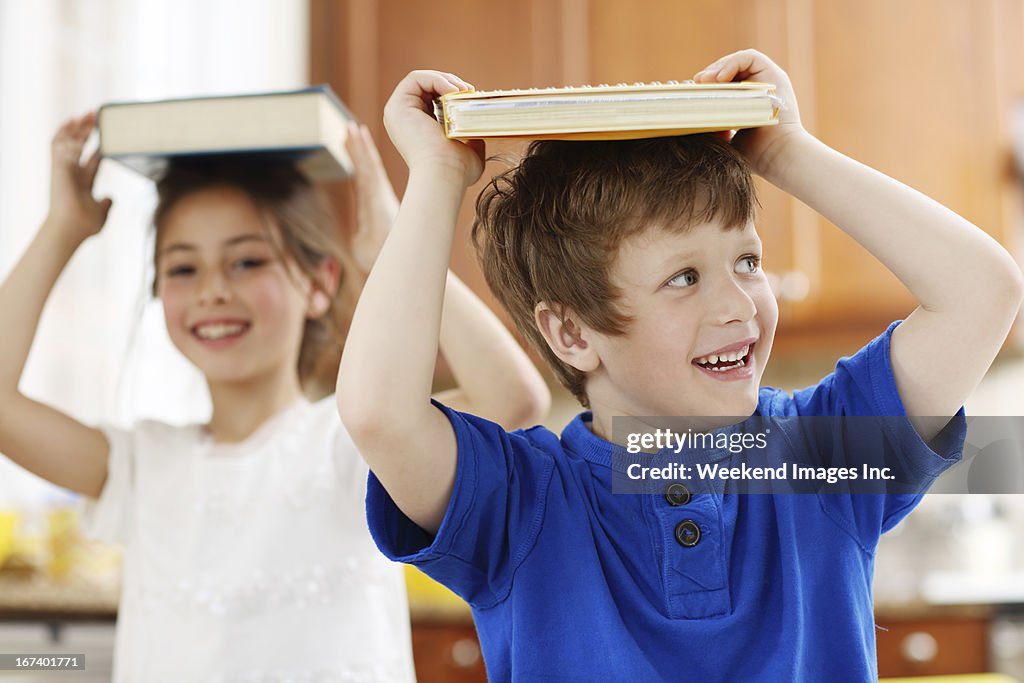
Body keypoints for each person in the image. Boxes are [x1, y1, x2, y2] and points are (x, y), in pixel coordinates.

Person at [337, 51, 1024, 680]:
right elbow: (379, 413)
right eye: (684, 277)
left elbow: (983, 292)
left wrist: (788, 151)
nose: (740, 303)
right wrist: (437, 176)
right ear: (572, 332)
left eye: (747, 261)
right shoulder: (522, 503)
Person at [0, 112, 550, 681]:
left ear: (319, 284)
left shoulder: (354, 442)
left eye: (247, 261)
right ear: (160, 293)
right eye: (183, 267)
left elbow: (512, 399)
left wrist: (395, 244)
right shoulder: (143, 466)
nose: (213, 290)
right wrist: (62, 226)